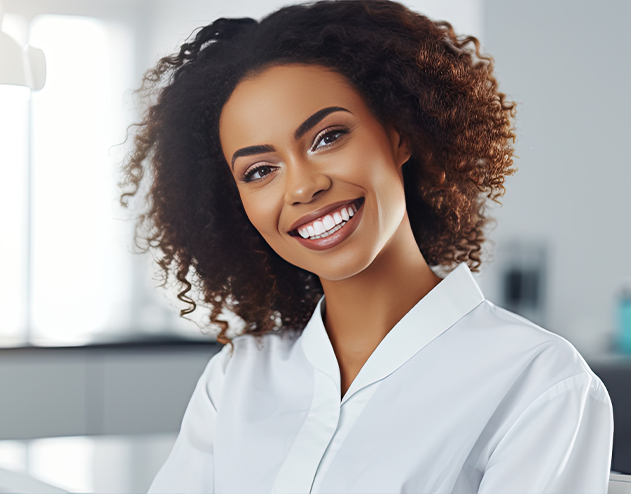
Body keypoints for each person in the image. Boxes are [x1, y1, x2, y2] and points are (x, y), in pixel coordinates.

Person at [119, 1, 614, 492]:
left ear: (400, 135)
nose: (302, 188)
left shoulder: (537, 381)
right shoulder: (235, 381)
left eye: (328, 137)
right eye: (260, 171)